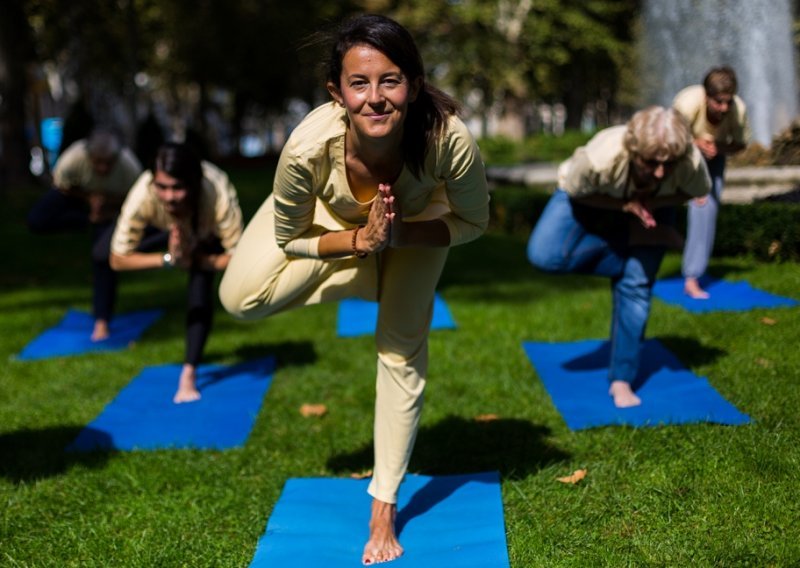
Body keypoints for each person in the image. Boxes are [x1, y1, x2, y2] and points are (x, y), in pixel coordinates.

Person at [218, 14, 489, 565]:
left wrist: (402, 236)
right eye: (358, 84)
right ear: (336, 93)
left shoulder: (448, 139)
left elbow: (473, 222)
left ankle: (383, 504)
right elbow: (290, 238)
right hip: (323, 217)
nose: (375, 98)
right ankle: (367, 268)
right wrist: (359, 242)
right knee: (239, 299)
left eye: (389, 80)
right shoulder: (305, 151)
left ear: (412, 84)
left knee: (401, 346)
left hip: (420, 222)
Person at [527, 106, 711, 409]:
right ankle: (635, 243)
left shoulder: (688, 159)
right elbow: (576, 191)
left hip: (653, 207)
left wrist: (649, 199)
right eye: (651, 163)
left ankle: (622, 379)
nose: (661, 173)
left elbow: (695, 192)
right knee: (543, 255)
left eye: (669, 164)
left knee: (636, 285)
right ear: (633, 149)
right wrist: (626, 205)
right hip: (587, 197)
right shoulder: (600, 158)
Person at [99, 142, 243, 403]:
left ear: (193, 183)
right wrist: (169, 259)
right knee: (100, 252)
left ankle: (189, 372)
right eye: (162, 187)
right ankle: (100, 321)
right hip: (163, 229)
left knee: (199, 290)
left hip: (205, 235)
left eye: (177, 187)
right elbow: (117, 259)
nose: (169, 195)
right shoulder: (143, 193)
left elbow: (238, 258)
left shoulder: (217, 192)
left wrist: (199, 261)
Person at [27, 128, 143, 341]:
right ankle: (83, 223)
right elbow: (61, 186)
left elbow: (138, 202)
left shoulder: (129, 167)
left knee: (102, 256)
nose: (102, 167)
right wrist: (89, 204)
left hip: (115, 207)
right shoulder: (73, 158)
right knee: (37, 219)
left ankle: (102, 320)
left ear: (116, 158)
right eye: (97, 162)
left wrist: (106, 207)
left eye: (108, 162)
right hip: (79, 198)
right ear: (88, 155)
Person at [673, 66, 750, 299]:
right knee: (693, 204)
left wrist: (719, 148)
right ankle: (687, 276)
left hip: (715, 156)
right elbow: (668, 139)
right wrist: (696, 143)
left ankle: (693, 275)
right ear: (706, 96)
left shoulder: (738, 110)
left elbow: (740, 144)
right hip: (681, 153)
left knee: (708, 208)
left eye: (728, 101)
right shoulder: (686, 104)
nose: (723, 108)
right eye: (718, 102)